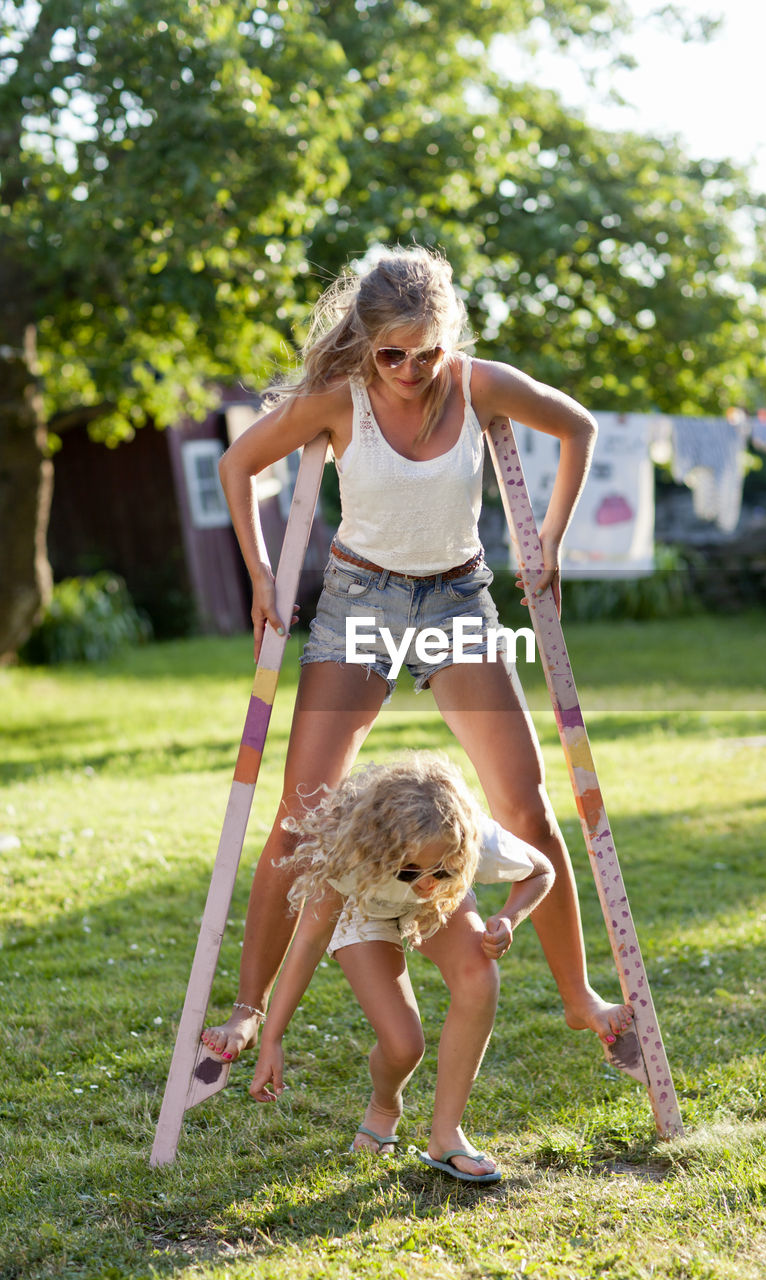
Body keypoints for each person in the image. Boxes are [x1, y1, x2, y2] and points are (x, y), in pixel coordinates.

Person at [201, 242, 633, 1068]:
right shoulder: (340, 398)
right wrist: (260, 573)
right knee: (301, 818)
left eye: (424, 351)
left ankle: (580, 999)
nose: (407, 369)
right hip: (359, 601)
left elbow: (577, 426)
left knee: (525, 804)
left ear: (448, 335)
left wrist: (548, 542)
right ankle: (248, 1010)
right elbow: (237, 462)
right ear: (368, 345)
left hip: (455, 601)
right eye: (390, 353)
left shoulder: (479, 384)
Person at [248, 752, 555, 1183]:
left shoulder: (469, 840)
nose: (426, 880)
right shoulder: (352, 855)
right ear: (385, 848)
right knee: (404, 1046)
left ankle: (446, 1135)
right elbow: (310, 941)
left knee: (479, 977)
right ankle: (385, 1104)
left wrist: (508, 917)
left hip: (436, 910)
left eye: (442, 868)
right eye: (413, 869)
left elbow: (541, 871)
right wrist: (272, 1038)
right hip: (365, 907)